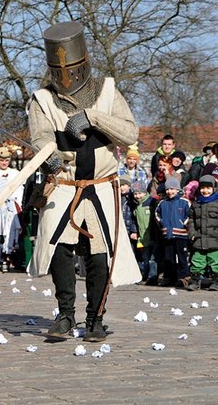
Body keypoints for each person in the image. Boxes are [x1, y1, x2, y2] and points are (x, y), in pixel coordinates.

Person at [27, 21, 140, 342]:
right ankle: (65, 314)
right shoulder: (42, 99)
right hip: (64, 186)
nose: (67, 75)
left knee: (99, 254)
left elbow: (130, 132)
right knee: (59, 250)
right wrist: (47, 154)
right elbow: (41, 136)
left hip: (101, 186)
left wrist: (93, 118)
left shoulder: (106, 91)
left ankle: (95, 319)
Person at [187, 175, 218, 291]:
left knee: (215, 262)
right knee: (197, 261)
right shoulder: (196, 204)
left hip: (215, 239)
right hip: (199, 239)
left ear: (214, 188)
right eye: (203, 188)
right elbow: (191, 221)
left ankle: (216, 282)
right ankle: (195, 281)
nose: (205, 191)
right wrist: (192, 233)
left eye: (208, 188)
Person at [0, 146, 24, 272]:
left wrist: (15, 202)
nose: (4, 163)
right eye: (2, 160)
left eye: (6, 160)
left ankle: (15, 260)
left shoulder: (15, 174)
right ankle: (1, 260)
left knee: (15, 233)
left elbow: (19, 190)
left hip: (12, 206)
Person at [154, 177, 191, 288]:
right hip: (167, 234)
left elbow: (189, 215)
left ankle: (183, 277)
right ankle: (170, 277)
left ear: (177, 190)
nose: (170, 192)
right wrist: (162, 223)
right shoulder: (162, 203)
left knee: (182, 257)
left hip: (181, 234)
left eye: (172, 189)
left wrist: (184, 223)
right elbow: (157, 215)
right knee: (168, 257)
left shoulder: (184, 202)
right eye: (168, 189)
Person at [132, 180, 158, 285]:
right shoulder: (136, 206)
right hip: (143, 237)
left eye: (140, 193)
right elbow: (135, 220)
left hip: (152, 235)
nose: (138, 196)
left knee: (153, 258)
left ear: (144, 192)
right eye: (135, 194)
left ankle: (152, 277)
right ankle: (145, 276)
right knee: (145, 258)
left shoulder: (151, 202)